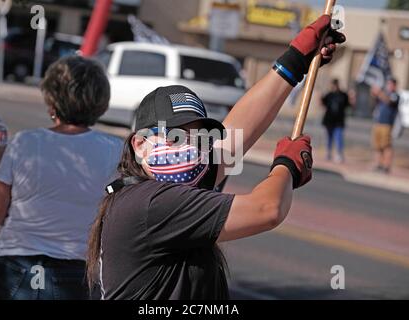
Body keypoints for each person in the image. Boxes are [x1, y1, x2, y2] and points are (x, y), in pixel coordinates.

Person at [86, 15, 345, 299]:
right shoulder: (151, 203)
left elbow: (235, 135)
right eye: (174, 136)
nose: (189, 146)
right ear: (140, 144)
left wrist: (296, 61)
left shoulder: (169, 188)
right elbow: (267, 209)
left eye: (198, 137)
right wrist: (286, 166)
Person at [0, 56, 123, 300]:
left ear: (51, 100)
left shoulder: (24, 142)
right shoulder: (115, 150)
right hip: (76, 273)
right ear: (101, 102)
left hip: (12, 267)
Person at [371, 78, 400, 173]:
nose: (388, 86)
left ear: (394, 85)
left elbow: (389, 101)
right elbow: (375, 101)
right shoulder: (384, 94)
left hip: (387, 125)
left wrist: (379, 93)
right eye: (388, 84)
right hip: (378, 123)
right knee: (377, 146)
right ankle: (377, 164)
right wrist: (374, 93)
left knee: (386, 146)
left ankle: (386, 166)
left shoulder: (395, 95)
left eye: (390, 84)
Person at [321, 79, 350, 163]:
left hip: (339, 121)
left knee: (339, 137)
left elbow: (348, 105)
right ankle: (328, 153)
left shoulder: (343, 95)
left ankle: (339, 154)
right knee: (329, 138)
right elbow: (323, 103)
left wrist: (352, 99)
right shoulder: (329, 95)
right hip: (329, 120)